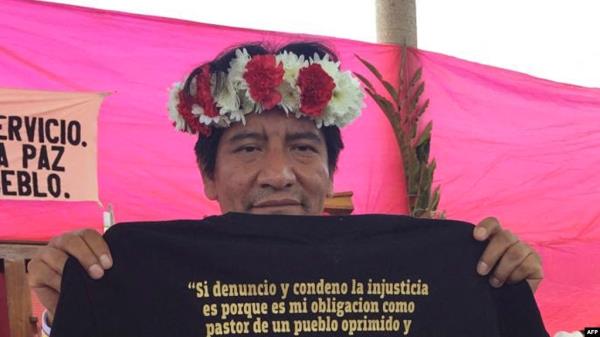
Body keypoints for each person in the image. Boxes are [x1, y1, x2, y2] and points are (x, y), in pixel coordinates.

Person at [27, 41, 543, 333]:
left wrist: (495, 291)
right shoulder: (133, 270)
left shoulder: (438, 264)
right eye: (248, 148)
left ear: (330, 172)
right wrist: (73, 303)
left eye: (303, 147)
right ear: (208, 176)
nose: (279, 173)